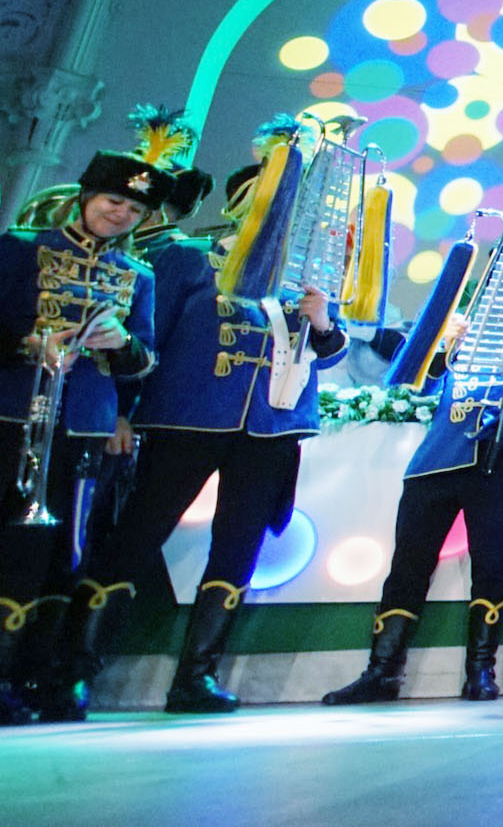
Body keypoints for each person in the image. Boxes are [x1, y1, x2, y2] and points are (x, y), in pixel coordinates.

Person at [64, 116, 352, 716]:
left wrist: (322, 321)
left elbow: (327, 351)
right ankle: (74, 669)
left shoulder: (305, 277)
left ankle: (196, 676)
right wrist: (123, 413)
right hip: (185, 419)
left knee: (239, 548)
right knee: (136, 535)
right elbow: (145, 341)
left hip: (269, 429)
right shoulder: (188, 260)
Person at [323, 203, 503, 705]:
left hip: (502, 460)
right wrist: (443, 348)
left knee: (493, 566)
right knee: (408, 567)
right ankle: (383, 671)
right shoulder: (464, 324)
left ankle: (480, 671)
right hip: (437, 460)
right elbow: (420, 382)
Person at [0, 114, 164, 725]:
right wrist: (29, 345)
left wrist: (122, 344)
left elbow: (144, 361)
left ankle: (39, 673)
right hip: (14, 415)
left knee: (65, 552)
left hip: (85, 426)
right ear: (87, 197)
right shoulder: (22, 248)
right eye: (113, 201)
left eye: (133, 209)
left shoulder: (138, 275)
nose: (121, 214)